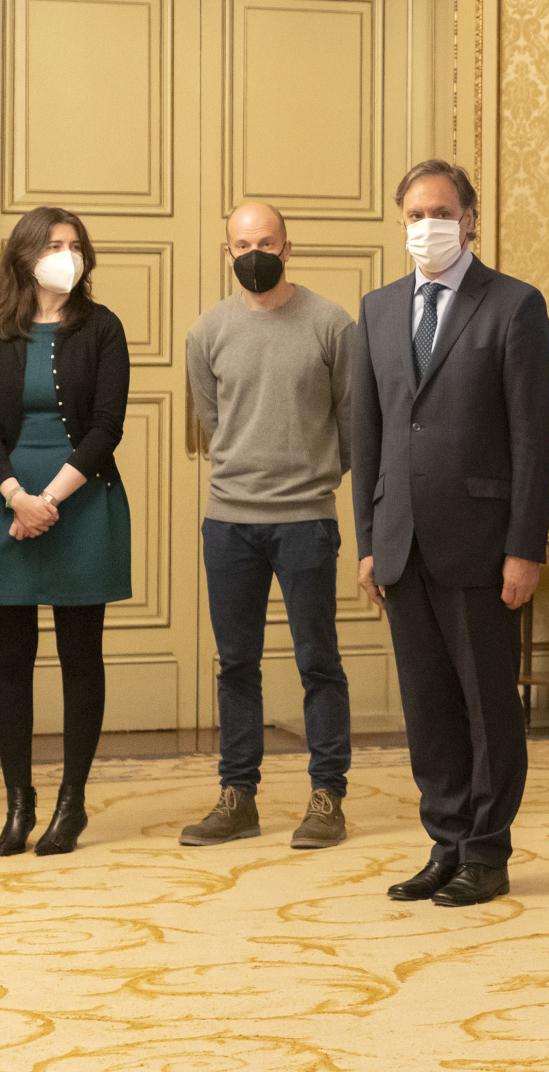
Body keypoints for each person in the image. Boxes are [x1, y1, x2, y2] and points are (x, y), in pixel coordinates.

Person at [352, 160, 549, 907]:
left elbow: (534, 439)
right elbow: (366, 435)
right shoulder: (377, 310)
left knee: (487, 708)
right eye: (414, 215)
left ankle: (486, 851)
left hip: (482, 547)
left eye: (440, 212)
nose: (426, 226)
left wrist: (525, 548)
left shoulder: (513, 306)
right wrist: (368, 541)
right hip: (401, 545)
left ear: (470, 219)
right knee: (428, 710)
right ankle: (445, 844)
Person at [179, 202, 355, 850]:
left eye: (267, 242)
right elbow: (213, 421)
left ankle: (327, 796)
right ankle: (238, 797)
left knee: (318, 661)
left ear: (288, 247)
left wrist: (313, 475)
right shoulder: (207, 332)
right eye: (243, 244)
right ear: (228, 252)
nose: (255, 253)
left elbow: (352, 422)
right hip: (229, 523)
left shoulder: (332, 324)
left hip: (306, 520)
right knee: (236, 664)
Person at [0, 208, 130, 857]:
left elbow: (107, 425)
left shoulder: (102, 327)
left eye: (75, 245)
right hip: (7, 505)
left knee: (81, 657)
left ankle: (70, 804)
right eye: (54, 245)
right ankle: (17, 803)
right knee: (9, 662)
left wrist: (47, 500)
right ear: (25, 255)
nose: (67, 255)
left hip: (80, 504)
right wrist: (15, 497)